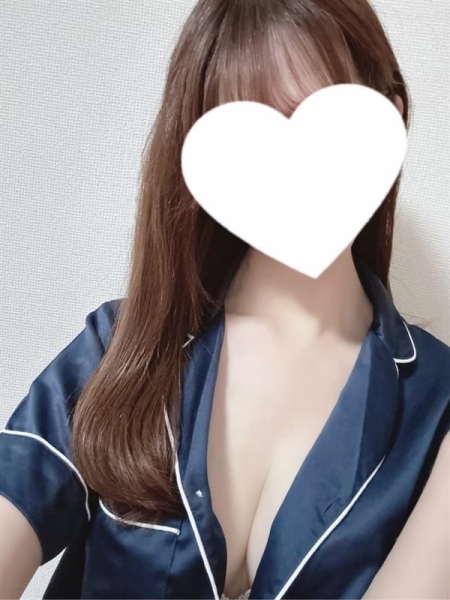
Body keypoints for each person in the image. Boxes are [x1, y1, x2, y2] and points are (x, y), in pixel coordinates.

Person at [0, 0, 449, 598]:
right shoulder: (120, 350)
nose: (294, 168)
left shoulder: (437, 401)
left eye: (327, 121)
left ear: (391, 120)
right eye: (253, 134)